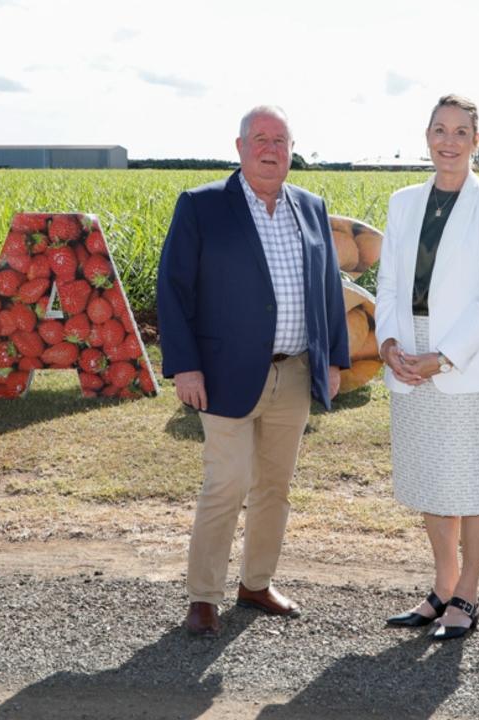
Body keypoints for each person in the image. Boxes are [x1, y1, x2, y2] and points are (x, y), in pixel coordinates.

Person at [156, 105, 349, 637]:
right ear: (239, 147)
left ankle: (257, 583)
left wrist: (334, 358)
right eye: (260, 138)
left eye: (281, 141)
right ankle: (203, 596)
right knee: (227, 482)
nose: (270, 149)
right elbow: (173, 290)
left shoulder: (310, 207)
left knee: (275, 487)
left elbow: (328, 289)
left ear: (292, 151)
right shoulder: (201, 206)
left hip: (294, 372)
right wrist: (185, 367)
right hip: (221, 374)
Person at [374, 94, 479, 641]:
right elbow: (388, 283)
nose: (449, 141)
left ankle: (468, 595)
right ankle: (441, 588)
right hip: (408, 349)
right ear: (427, 135)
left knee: (473, 482)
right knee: (431, 477)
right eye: (440, 129)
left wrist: (445, 356)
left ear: (477, 141)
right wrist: (389, 343)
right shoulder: (404, 200)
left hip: (463, 356)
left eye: (462, 131)